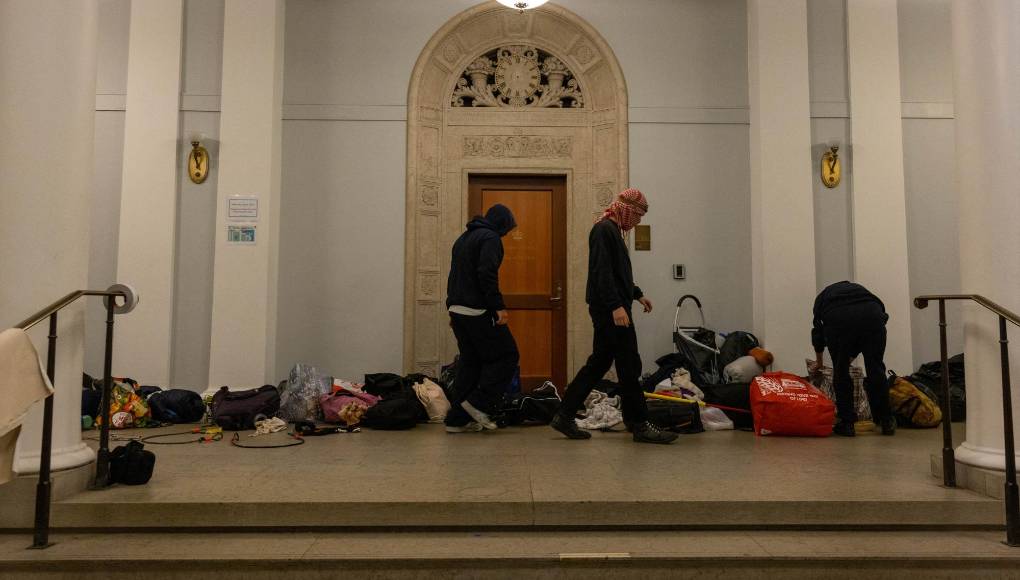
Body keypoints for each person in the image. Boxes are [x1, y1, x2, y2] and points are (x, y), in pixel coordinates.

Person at [550, 188, 678, 444]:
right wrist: (615, 306)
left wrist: (637, 294)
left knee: (605, 362)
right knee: (628, 364)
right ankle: (639, 424)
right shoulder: (603, 230)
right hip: (610, 309)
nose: (638, 221)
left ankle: (566, 415)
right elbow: (602, 272)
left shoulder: (613, 231)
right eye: (638, 216)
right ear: (627, 209)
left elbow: (619, 273)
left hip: (613, 306)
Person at [444, 204, 520, 433]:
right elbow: (486, 273)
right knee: (507, 356)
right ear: (502, 224)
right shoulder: (490, 239)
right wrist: (498, 307)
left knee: (471, 362)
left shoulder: (464, 237)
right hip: (477, 310)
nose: (508, 232)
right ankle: (478, 404)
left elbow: (454, 274)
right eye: (508, 227)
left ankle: (457, 420)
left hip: (458, 309)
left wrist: (451, 308)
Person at [811, 281, 896, 437]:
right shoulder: (860, 291)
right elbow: (870, 320)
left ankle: (847, 423)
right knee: (876, 368)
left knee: (841, 371)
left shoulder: (822, 300)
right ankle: (886, 420)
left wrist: (820, 362)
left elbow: (817, 333)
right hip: (874, 315)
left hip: (838, 318)